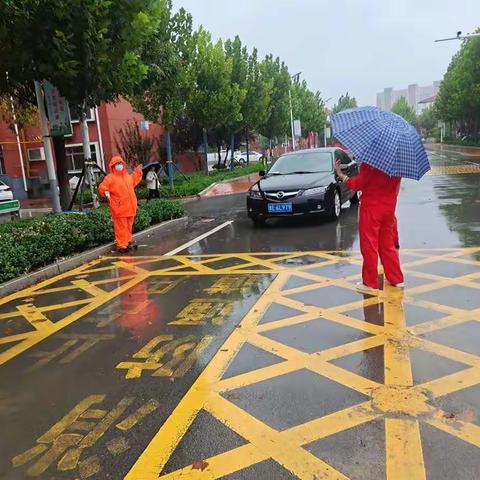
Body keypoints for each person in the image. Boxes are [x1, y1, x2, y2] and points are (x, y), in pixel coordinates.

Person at [334, 160, 404, 293]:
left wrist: (341, 174)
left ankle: (370, 283)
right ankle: (397, 279)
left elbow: (356, 185)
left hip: (371, 209)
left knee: (369, 246)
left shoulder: (370, 165)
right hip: (389, 208)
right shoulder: (397, 165)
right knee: (388, 245)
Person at [98, 156, 143, 253]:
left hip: (130, 207)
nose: (119, 165)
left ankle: (127, 241)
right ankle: (122, 245)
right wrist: (105, 193)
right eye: (117, 164)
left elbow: (134, 180)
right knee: (121, 227)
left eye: (120, 163)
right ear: (113, 166)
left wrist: (138, 171)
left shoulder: (127, 177)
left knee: (128, 226)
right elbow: (102, 187)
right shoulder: (110, 178)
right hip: (119, 208)